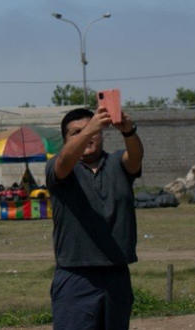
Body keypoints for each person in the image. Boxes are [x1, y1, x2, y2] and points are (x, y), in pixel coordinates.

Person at [45, 107, 144, 330]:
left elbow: (136, 157)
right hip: (75, 275)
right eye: (76, 132)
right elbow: (64, 162)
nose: (87, 136)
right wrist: (89, 129)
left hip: (116, 274)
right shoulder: (59, 167)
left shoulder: (118, 163)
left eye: (93, 131)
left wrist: (129, 131)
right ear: (65, 140)